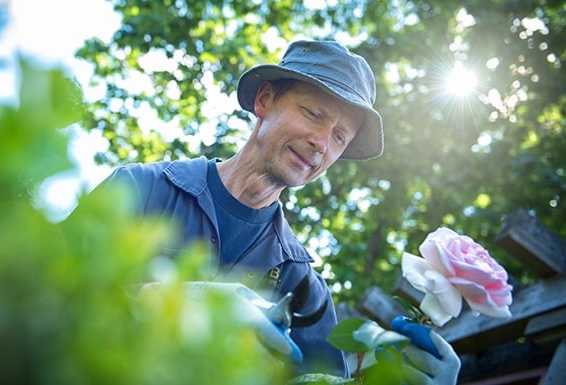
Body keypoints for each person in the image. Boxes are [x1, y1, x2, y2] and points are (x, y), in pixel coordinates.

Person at [79, 40, 460, 382]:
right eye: (314, 114)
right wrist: (187, 300)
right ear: (264, 100)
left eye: (340, 137)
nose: (321, 143)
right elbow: (34, 295)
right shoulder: (140, 190)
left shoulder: (305, 289)